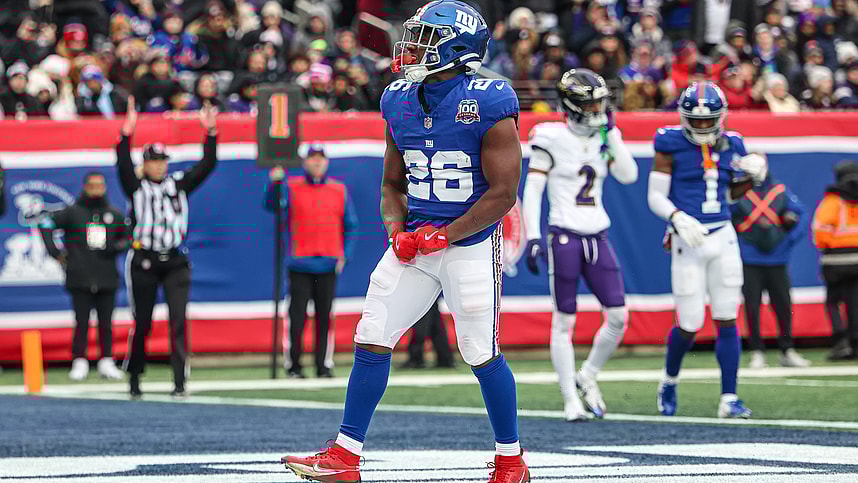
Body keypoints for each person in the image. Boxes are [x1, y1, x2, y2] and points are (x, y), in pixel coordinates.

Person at [281, 1, 529, 482]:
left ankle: (510, 460)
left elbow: (503, 194)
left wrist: (447, 235)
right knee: (372, 331)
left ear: (456, 48)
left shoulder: (491, 98)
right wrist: (397, 232)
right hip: (418, 238)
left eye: (425, 38)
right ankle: (345, 457)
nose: (411, 45)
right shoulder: (398, 97)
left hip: (470, 241)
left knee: (479, 350)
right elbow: (392, 184)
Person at [523, 69, 638, 421]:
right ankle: (570, 399)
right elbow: (534, 189)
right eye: (592, 103)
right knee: (564, 321)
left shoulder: (604, 135)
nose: (599, 109)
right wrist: (532, 235)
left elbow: (629, 175)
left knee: (618, 316)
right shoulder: (551, 136)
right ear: (573, 106)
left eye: (601, 102)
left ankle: (587, 374)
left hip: (598, 234)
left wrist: (612, 134)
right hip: (565, 235)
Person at [647, 81, 762, 419]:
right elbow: (655, 195)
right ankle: (669, 380)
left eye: (706, 120)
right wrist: (677, 217)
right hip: (688, 239)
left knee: (727, 316)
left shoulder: (733, 143)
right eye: (694, 121)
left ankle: (729, 397)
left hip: (723, 234)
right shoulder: (669, 143)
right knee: (690, 322)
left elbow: (729, 194)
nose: (700, 126)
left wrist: (752, 177)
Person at [117, 96, 218, 399]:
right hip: (144, 260)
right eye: (153, 161)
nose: (159, 166)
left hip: (175, 260)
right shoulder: (135, 187)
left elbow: (207, 165)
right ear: (144, 164)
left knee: (177, 320)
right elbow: (122, 164)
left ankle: (179, 382)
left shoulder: (179, 184)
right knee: (143, 321)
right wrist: (126, 134)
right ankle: (135, 378)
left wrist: (211, 133)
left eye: (162, 161)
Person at [264, 147, 358, 379]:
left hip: (327, 263)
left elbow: (351, 224)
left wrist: (344, 254)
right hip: (300, 263)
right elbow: (272, 205)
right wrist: (274, 183)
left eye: (320, 159)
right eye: (313, 159)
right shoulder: (292, 186)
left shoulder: (338, 189)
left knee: (325, 317)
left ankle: (323, 365)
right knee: (297, 316)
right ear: (305, 162)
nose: (317, 163)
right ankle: (293, 364)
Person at [39, 172, 131, 381]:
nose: (97, 189)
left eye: (100, 185)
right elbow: (45, 223)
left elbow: (127, 237)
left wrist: (116, 247)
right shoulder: (73, 213)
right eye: (93, 185)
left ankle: (106, 360)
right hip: (80, 276)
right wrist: (55, 253)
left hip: (106, 276)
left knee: (106, 322)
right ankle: (79, 360)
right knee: (82, 321)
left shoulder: (113, 214)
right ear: (85, 187)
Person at [729, 154, 810, 369]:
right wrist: (738, 240)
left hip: (777, 259)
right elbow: (727, 217)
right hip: (749, 259)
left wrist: (789, 238)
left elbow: (801, 214)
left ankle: (787, 349)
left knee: (783, 305)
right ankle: (757, 351)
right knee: (752, 307)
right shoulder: (738, 193)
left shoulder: (780, 191)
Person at [813, 160, 858, 361]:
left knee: (833, 303)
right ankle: (855, 343)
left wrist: (833, 242)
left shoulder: (833, 200)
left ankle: (841, 343)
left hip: (836, 262)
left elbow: (820, 231)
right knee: (855, 303)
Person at [399, 296, 456, 369]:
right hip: (433, 292)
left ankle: (416, 359)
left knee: (422, 320)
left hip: (423, 292)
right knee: (435, 322)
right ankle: (445, 358)